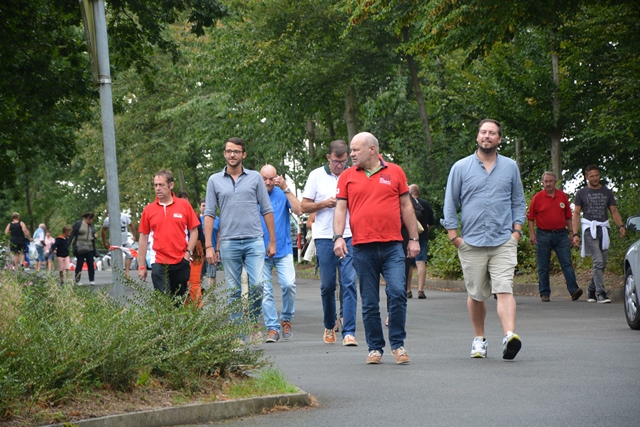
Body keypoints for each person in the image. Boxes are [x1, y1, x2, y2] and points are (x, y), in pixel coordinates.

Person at [442, 119, 526, 360]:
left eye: (492, 133)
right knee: (477, 294)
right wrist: (453, 236)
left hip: (503, 241)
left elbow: (518, 200)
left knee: (504, 289)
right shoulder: (461, 167)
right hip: (471, 242)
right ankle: (479, 339)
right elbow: (450, 201)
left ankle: (509, 335)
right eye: (483, 132)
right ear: (477, 137)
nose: (487, 136)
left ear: (499, 139)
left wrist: (516, 232)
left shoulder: (510, 167)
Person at [334, 132, 419, 365]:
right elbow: (340, 210)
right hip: (362, 247)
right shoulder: (347, 176)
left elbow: (406, 206)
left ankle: (398, 344)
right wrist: (338, 237)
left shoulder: (395, 172)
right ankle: (375, 348)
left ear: (372, 149)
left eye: (355, 149)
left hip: (392, 245)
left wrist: (413, 238)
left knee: (398, 293)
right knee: (370, 301)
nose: (350, 154)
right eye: (351, 150)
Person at [203, 137, 276, 342]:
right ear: (224, 154)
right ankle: (238, 333)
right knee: (233, 290)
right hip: (228, 241)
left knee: (258, 285)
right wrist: (209, 245)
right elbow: (209, 213)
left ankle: (253, 323)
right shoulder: (214, 180)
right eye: (228, 151)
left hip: (254, 240)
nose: (232, 154)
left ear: (244, 154)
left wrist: (272, 241)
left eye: (236, 151)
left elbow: (267, 209)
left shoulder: (254, 178)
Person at [301, 140, 359, 347]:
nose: (340, 166)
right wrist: (325, 203)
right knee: (327, 285)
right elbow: (303, 206)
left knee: (349, 282)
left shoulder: (353, 174)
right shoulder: (316, 176)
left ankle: (349, 331)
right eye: (336, 161)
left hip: (349, 234)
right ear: (328, 158)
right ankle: (329, 324)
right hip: (324, 236)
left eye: (343, 162)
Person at [137, 170, 200, 299]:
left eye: (161, 185)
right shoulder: (149, 210)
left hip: (180, 260)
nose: (158, 188)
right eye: (155, 185)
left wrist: (188, 254)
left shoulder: (184, 205)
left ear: (171, 185)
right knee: (164, 301)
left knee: (179, 301)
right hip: (158, 261)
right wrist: (142, 265)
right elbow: (143, 238)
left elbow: (194, 231)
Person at [259, 164, 302, 343]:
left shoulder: (282, 193)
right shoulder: (253, 194)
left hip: (283, 249)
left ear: (277, 178)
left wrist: (285, 188)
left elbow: (299, 210)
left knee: (288, 284)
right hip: (259, 251)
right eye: (265, 179)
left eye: (272, 179)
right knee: (265, 291)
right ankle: (272, 328)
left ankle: (286, 318)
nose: (268, 182)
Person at [571, 164, 626, 303]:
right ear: (586, 177)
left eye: (596, 175)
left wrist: (620, 225)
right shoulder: (581, 193)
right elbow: (576, 213)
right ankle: (601, 293)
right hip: (589, 229)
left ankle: (591, 289)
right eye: (591, 176)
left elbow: (613, 211)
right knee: (598, 261)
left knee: (603, 263)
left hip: (604, 229)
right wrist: (575, 234)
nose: (595, 178)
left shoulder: (607, 192)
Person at [527, 171, 583, 302]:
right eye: (545, 181)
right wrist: (532, 234)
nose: (548, 184)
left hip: (561, 234)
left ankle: (574, 290)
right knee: (543, 265)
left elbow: (568, 217)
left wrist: (571, 233)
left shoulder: (562, 196)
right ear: (542, 183)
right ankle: (544, 293)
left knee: (566, 263)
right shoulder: (537, 197)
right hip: (543, 234)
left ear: (555, 182)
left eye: (550, 181)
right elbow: (530, 218)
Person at [176, 191, 205, 306]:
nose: (184, 203)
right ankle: (186, 311)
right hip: (178, 254)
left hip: (195, 255)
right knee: (182, 283)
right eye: (181, 200)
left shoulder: (195, 217)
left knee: (194, 283)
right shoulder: (174, 217)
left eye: (186, 200)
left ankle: (196, 310)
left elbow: (201, 236)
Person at [406, 184, 434, 299]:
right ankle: (420, 290)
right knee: (421, 262)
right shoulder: (426, 204)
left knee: (409, 264)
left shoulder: (408, 203)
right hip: (422, 237)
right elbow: (431, 222)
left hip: (409, 238)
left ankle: (408, 290)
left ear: (410, 193)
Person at [101, 211, 138, 277]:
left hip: (125, 241)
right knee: (117, 258)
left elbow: (131, 225)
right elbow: (103, 230)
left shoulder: (125, 217)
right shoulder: (108, 219)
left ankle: (127, 272)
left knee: (131, 254)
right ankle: (118, 274)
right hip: (115, 242)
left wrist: (134, 236)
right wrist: (105, 242)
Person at [69, 212, 98, 285]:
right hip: (80, 247)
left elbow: (93, 234)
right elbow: (72, 234)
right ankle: (77, 280)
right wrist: (67, 244)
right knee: (80, 263)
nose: (92, 221)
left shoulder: (91, 226)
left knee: (90, 264)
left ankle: (92, 280)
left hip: (90, 247)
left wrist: (94, 236)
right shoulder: (78, 224)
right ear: (88, 218)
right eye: (92, 219)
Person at [199, 198, 220, 291]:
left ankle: (211, 295)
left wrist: (218, 250)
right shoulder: (197, 219)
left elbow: (219, 235)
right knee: (199, 273)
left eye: (207, 206)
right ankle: (198, 294)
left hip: (213, 249)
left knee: (212, 273)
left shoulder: (217, 219)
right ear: (200, 207)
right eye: (203, 206)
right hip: (200, 251)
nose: (205, 208)